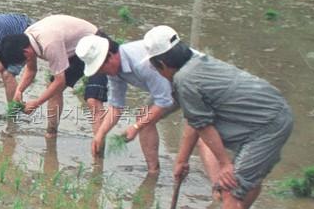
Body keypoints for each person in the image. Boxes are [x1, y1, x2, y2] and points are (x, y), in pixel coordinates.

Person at [143, 25, 293, 209]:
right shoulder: (197, 61)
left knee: (230, 187)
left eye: (156, 68)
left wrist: (224, 164)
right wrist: (182, 160)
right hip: (273, 113)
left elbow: (203, 125)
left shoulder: (185, 80)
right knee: (248, 180)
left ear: (162, 64)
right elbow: (196, 122)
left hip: (265, 124)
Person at [75, 34, 220, 180]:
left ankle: (219, 190)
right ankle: (153, 173)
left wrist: (136, 127)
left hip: (201, 82)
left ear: (111, 56)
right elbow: (116, 106)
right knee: (143, 117)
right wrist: (100, 135)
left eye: (100, 67)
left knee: (204, 136)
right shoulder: (113, 71)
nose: (100, 73)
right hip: (172, 86)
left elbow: (164, 101)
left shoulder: (143, 63)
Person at [0, 14, 109, 138]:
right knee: (53, 89)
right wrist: (19, 90)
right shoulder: (27, 39)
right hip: (75, 50)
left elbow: (60, 81)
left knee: (93, 100)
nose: (24, 63)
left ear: (26, 52)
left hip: (97, 45)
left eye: (23, 60)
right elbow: (31, 70)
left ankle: (98, 148)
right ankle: (51, 134)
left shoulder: (49, 43)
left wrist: (36, 103)